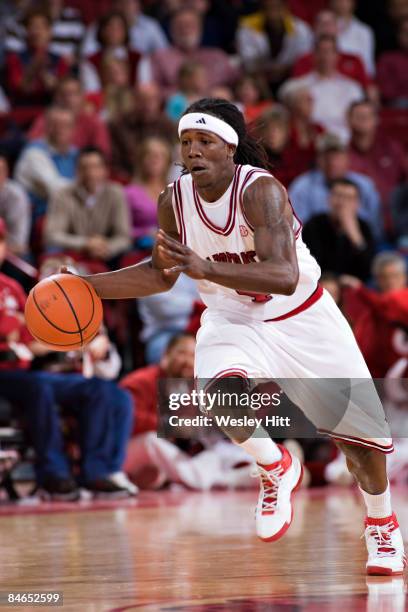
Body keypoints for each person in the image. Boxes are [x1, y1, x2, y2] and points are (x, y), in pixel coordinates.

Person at [63, 97, 405, 575]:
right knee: (218, 395)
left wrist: (206, 267)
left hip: (301, 314)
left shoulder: (260, 191)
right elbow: (161, 276)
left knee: (360, 445)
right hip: (233, 318)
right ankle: (276, 465)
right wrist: (86, 287)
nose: (193, 151)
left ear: (229, 147)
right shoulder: (173, 201)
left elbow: (285, 275)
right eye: (186, 142)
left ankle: (382, 525)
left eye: (204, 141)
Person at [0, 226, 136, 499]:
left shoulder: (14, 289)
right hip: (11, 374)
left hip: (29, 374)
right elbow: (25, 340)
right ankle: (54, 473)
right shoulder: (33, 297)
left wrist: (92, 339)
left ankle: (99, 472)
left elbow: (30, 339)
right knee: (39, 387)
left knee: (108, 392)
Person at [45, 147, 131, 264]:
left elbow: (124, 237)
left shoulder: (116, 193)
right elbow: (52, 236)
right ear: (76, 171)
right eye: (84, 168)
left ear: (105, 170)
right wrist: (86, 244)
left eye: (96, 167)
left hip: (107, 256)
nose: (90, 173)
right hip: (73, 256)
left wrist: (106, 248)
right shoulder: (63, 194)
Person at [288, 133, 382, 239]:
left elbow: (376, 230)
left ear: (347, 158)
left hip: (357, 246)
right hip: (315, 247)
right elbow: (296, 231)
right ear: (318, 159)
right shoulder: (301, 187)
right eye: (326, 157)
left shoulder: (365, 186)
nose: (332, 162)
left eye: (337, 156)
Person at [279, 34, 364, 141]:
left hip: (345, 142)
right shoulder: (299, 86)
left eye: (329, 51)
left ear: (337, 55)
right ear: (313, 55)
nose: (325, 56)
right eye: (321, 51)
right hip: (313, 140)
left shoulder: (352, 88)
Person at [143, 8, 239, 97]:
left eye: (190, 25)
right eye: (180, 26)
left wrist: (227, 92)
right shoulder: (160, 57)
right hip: (176, 111)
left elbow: (239, 85)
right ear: (171, 30)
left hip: (216, 111)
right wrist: (185, 95)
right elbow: (152, 91)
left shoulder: (217, 56)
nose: (185, 30)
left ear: (200, 28)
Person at [347, 100, 406, 231]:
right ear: (348, 120)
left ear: (376, 120)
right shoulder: (342, 154)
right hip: (359, 219)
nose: (363, 120)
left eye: (367, 116)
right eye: (358, 116)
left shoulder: (391, 148)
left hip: (395, 216)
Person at [302, 178, 375, 281]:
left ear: (357, 204)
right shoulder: (314, 225)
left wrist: (355, 236)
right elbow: (312, 265)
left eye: (349, 198)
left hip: (354, 287)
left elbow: (369, 270)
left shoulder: (364, 227)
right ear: (329, 199)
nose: (342, 203)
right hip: (323, 284)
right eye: (338, 196)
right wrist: (338, 279)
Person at [28, 76, 111, 159]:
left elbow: (103, 154)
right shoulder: (46, 120)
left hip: (83, 168)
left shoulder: (95, 122)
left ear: (83, 96)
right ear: (56, 98)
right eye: (64, 94)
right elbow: (32, 146)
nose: (69, 99)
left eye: (74, 94)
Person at [236, 0, 313, 86]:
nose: (273, 12)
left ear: (285, 7)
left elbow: (303, 59)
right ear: (262, 9)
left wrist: (285, 68)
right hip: (260, 77)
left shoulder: (300, 29)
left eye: (277, 6)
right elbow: (249, 62)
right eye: (269, 7)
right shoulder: (248, 28)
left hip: (290, 75)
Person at [4, 10, 70, 108]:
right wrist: (34, 67)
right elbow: (19, 89)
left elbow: (61, 91)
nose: (36, 32)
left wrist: (43, 72)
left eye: (41, 27)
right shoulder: (14, 59)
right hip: (22, 112)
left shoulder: (60, 60)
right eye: (32, 27)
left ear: (50, 32)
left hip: (51, 112)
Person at [125, 137, 173, 251]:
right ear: (141, 160)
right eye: (150, 155)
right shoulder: (129, 193)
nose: (155, 160)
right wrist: (145, 232)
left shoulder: (176, 190)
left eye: (160, 156)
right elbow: (122, 231)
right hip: (140, 250)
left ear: (167, 162)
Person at [81, 11, 143, 93]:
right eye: (110, 27)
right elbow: (91, 90)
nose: (114, 31)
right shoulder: (91, 61)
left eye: (119, 27)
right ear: (102, 31)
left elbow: (143, 87)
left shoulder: (138, 58)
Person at [81, 0, 168, 56]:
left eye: (130, 2)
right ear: (114, 5)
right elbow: (87, 54)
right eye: (121, 2)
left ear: (138, 5)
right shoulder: (99, 25)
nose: (126, 7)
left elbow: (163, 54)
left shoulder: (151, 26)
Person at [330, 0, 376, 77]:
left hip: (355, 75)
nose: (341, 3)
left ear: (353, 3)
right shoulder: (325, 27)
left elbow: (368, 64)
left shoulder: (364, 31)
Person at [0, 155, 30, 256]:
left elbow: (18, 244)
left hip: (11, 253)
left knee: (25, 258)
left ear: (6, 173)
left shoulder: (16, 196)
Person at [377, 17, 408, 107]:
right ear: (399, 36)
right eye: (406, 32)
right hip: (400, 104)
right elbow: (386, 91)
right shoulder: (387, 59)